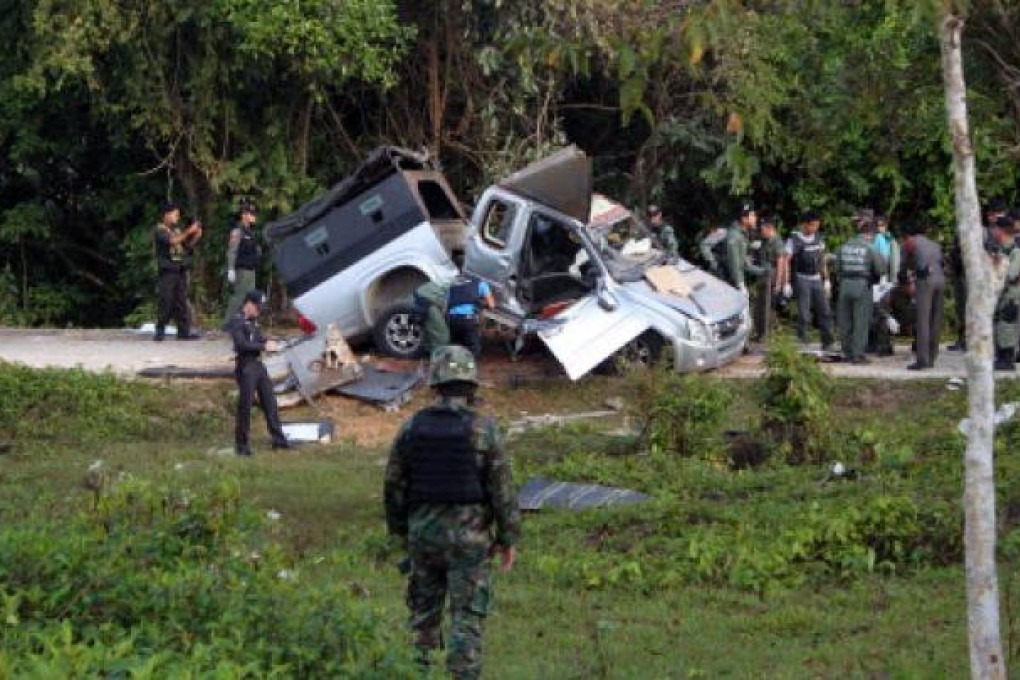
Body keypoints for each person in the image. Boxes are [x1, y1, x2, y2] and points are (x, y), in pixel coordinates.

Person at [384, 345, 520, 679]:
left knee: (422, 619)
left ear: (435, 382)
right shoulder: (484, 429)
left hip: (424, 538)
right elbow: (501, 489)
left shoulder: (412, 427)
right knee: (467, 622)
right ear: (471, 384)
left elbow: (393, 486)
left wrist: (401, 530)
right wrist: (507, 537)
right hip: (470, 543)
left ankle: (416, 673)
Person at [228, 289, 290, 456]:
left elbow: (258, 339)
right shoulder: (237, 321)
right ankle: (242, 446)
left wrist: (272, 342)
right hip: (245, 367)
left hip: (258, 366)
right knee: (245, 406)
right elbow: (241, 345)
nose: (258, 311)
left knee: (270, 402)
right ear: (248, 304)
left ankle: (279, 440)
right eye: (256, 307)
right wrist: (263, 346)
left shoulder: (254, 322)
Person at [834, 216, 884, 364]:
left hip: (844, 285)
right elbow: (881, 269)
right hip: (862, 286)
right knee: (861, 321)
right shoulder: (870, 247)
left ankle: (847, 352)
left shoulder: (843, 247)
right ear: (871, 234)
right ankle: (857, 355)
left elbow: (837, 268)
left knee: (845, 320)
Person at [783, 211, 835, 351]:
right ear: (805, 225)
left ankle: (828, 342)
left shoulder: (819, 238)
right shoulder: (794, 239)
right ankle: (803, 342)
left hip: (817, 279)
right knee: (804, 314)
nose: (815, 228)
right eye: (812, 225)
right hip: (802, 279)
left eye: (817, 226)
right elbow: (786, 260)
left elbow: (822, 259)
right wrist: (786, 282)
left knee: (825, 311)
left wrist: (827, 280)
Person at [153, 202, 202, 341]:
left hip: (179, 269)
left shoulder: (177, 230)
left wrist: (196, 236)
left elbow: (185, 246)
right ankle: (160, 330)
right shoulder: (160, 230)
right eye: (175, 215)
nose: (177, 218)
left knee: (181, 301)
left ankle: (183, 331)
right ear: (166, 215)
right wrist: (188, 231)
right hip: (167, 270)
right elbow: (173, 242)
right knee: (166, 300)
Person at [902, 223, 945, 370]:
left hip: (925, 280)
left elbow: (904, 266)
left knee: (923, 321)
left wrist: (904, 282)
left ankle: (922, 360)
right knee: (935, 320)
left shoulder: (910, 243)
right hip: (941, 279)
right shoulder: (935, 244)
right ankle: (932, 357)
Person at [222, 200, 262, 329]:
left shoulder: (251, 232)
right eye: (251, 214)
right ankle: (228, 324)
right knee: (239, 298)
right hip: (242, 270)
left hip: (251, 270)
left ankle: (249, 322)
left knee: (252, 298)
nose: (254, 216)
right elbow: (232, 251)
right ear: (244, 215)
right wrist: (231, 269)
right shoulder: (237, 232)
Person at [446, 256, 495, 358]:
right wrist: (480, 304)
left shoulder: (450, 283)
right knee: (473, 351)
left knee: (454, 349)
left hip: (452, 320)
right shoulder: (479, 283)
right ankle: (466, 369)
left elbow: (446, 304)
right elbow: (492, 305)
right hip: (468, 320)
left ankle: (454, 369)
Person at [991, 220, 1020, 371]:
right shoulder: (1003, 249)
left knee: (1007, 325)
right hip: (1002, 293)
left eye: (995, 229)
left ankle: (1007, 359)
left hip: (1012, 294)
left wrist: (997, 268)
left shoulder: (1016, 250)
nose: (993, 232)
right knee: (1001, 325)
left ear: (1001, 231)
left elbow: (1012, 274)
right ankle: (1001, 356)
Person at [750, 215, 783, 343]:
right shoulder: (764, 240)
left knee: (768, 306)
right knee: (759, 305)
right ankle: (759, 332)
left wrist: (779, 282)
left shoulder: (776, 241)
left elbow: (781, 262)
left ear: (770, 228)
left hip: (772, 276)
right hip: (762, 275)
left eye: (762, 229)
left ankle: (767, 333)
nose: (761, 231)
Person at [723, 204, 763, 293]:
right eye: (752, 216)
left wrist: (764, 272)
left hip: (734, 281)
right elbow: (734, 263)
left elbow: (745, 263)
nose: (755, 218)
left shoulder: (743, 234)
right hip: (728, 283)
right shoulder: (734, 235)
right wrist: (740, 284)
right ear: (744, 219)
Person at [413, 280, 451, 358]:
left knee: (430, 329)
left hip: (422, 293)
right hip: (429, 299)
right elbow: (444, 305)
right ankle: (437, 359)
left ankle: (428, 354)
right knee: (442, 334)